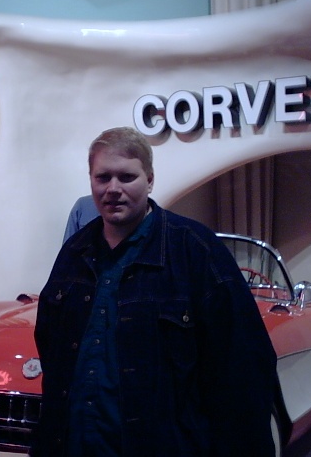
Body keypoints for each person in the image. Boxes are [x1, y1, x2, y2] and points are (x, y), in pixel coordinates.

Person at [32, 126, 277, 457]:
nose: (113, 189)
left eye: (126, 177)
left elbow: (243, 369)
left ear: (149, 180)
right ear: (91, 180)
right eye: (103, 177)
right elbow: (52, 350)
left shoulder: (196, 250)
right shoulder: (74, 253)